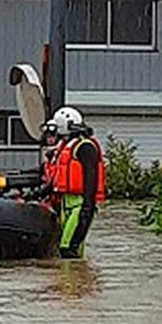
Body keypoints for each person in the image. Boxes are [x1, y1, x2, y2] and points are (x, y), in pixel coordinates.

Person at [52, 107, 106, 259]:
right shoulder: (65, 146)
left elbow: (91, 176)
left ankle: (71, 281)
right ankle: (76, 279)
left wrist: (88, 206)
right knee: (66, 247)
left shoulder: (85, 147)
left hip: (79, 203)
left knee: (67, 248)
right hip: (65, 202)